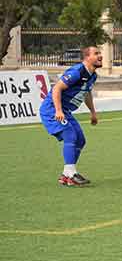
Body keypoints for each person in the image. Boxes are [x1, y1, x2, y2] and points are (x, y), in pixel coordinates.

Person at [39, 46, 102, 186]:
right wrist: (58, 110)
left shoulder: (93, 75)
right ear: (87, 57)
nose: (100, 56)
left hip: (65, 110)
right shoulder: (77, 71)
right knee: (70, 136)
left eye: (100, 53)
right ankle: (71, 173)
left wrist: (93, 113)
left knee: (80, 140)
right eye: (96, 53)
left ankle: (66, 175)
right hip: (52, 109)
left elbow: (86, 93)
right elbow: (57, 88)